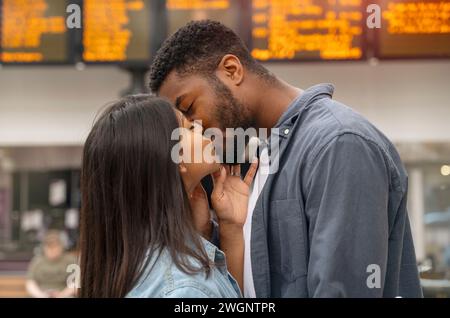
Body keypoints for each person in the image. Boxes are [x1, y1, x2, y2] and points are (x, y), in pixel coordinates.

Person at [148, 20, 423, 297]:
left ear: (231, 70)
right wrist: (219, 231)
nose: (196, 127)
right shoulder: (267, 155)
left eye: (190, 108)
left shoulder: (338, 142)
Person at [78, 95, 258, 298]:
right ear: (178, 157)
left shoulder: (128, 264)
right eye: (190, 128)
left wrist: (225, 229)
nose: (204, 129)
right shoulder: (185, 289)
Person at [26, 230, 77, 298]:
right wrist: (41, 295)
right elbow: (30, 282)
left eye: (55, 246)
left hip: (64, 294)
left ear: (61, 246)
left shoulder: (71, 260)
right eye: (49, 247)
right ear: (44, 247)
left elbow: (76, 283)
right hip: (41, 294)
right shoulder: (37, 261)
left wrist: (62, 295)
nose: (52, 250)